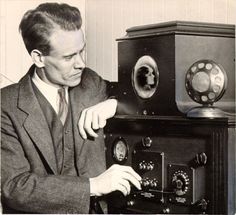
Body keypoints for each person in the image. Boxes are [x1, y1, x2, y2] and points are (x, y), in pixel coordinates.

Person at [1, 2, 141, 214]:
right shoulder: (6, 105)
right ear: (39, 58)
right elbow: (15, 187)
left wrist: (112, 104)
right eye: (68, 57)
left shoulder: (90, 82)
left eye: (81, 52)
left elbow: (139, 94)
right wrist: (94, 186)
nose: (81, 63)